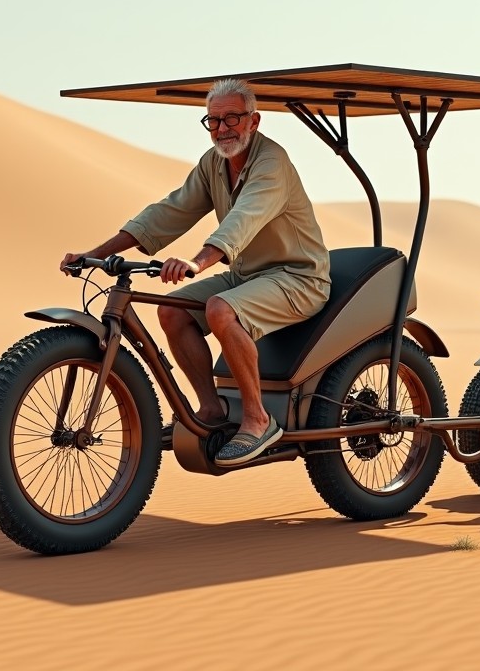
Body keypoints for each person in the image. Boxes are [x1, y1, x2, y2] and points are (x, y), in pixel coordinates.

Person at [61, 78, 330, 466]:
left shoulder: (272, 163)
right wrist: (94, 253)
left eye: (232, 119)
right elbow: (171, 211)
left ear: (254, 121)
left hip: (298, 278)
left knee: (221, 309)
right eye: (214, 121)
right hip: (247, 276)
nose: (222, 129)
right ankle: (211, 409)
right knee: (172, 311)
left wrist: (197, 262)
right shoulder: (214, 163)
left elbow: (244, 219)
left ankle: (258, 419)